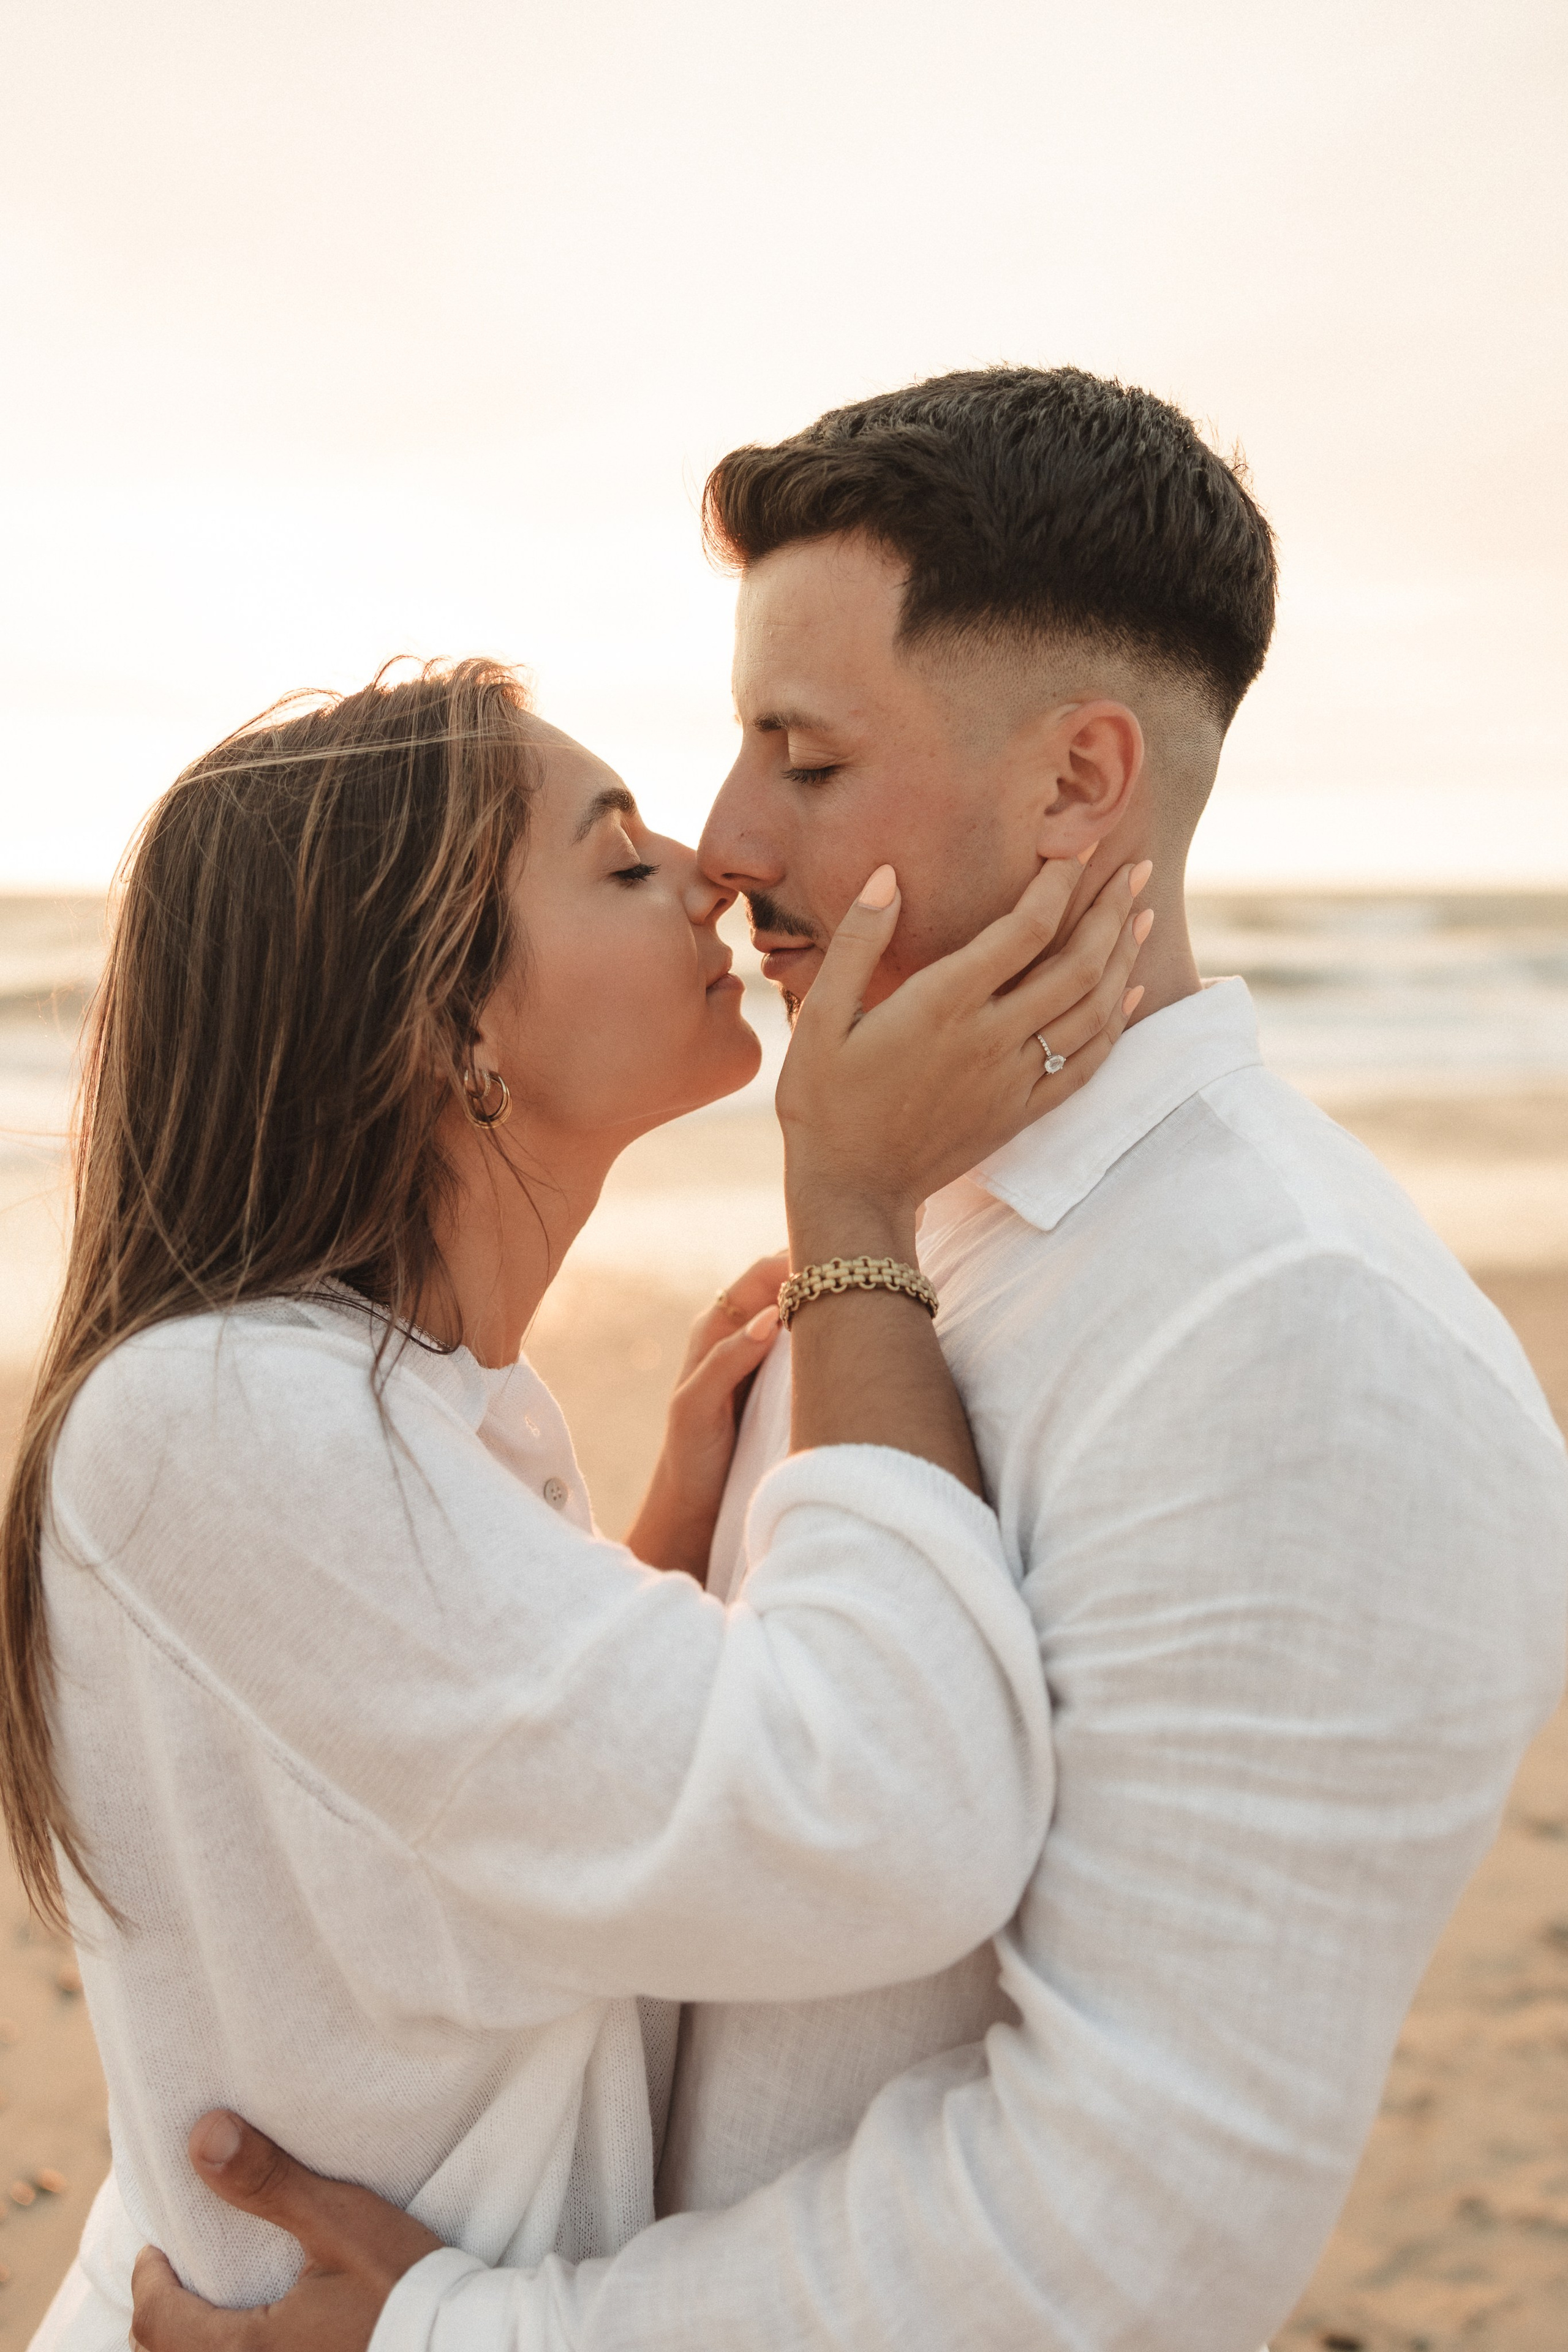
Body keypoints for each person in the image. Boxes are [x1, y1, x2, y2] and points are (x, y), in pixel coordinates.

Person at [130, 367, 1568, 2352]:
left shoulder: (1311, 1340)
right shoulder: (883, 1250)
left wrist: (465, 2339)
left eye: (801, 758)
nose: (720, 845)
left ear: (1078, 781)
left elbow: (1128, 2227)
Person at [7, 656, 1150, 2352]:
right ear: (445, 1022)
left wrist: (646, 1567)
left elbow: (417, 1844)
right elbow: (895, 1826)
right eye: (620, 863)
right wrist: (852, 1201)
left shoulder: (417, 1404)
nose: (715, 869)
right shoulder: (223, 1411)